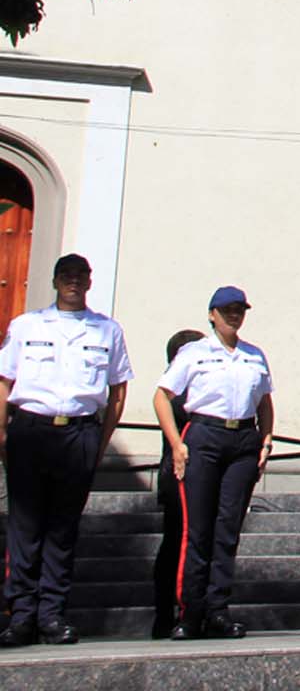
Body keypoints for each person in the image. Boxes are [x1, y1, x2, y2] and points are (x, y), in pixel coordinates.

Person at [0, 253, 132, 647]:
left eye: (80, 276)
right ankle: (21, 616)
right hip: (31, 431)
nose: (73, 282)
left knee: (63, 529)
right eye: (66, 276)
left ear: (89, 283)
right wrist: (2, 434)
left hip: (78, 434)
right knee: (25, 527)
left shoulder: (107, 330)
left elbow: (118, 391)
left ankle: (53, 616)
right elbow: (5, 382)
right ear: (56, 281)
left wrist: (99, 442)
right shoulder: (27, 325)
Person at [153, 287, 275, 640]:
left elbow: (264, 402)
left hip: (242, 441)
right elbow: (162, 397)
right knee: (198, 530)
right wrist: (177, 444)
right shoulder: (194, 353)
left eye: (239, 309)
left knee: (228, 529)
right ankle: (190, 612)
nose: (233, 315)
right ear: (212, 314)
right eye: (226, 310)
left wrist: (266, 438)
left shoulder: (254, 355)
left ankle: (217, 610)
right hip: (204, 436)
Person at [151, 327, 205, 638]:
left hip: (196, 479)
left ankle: (187, 610)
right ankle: (165, 613)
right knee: (176, 546)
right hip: (179, 479)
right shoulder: (176, 394)